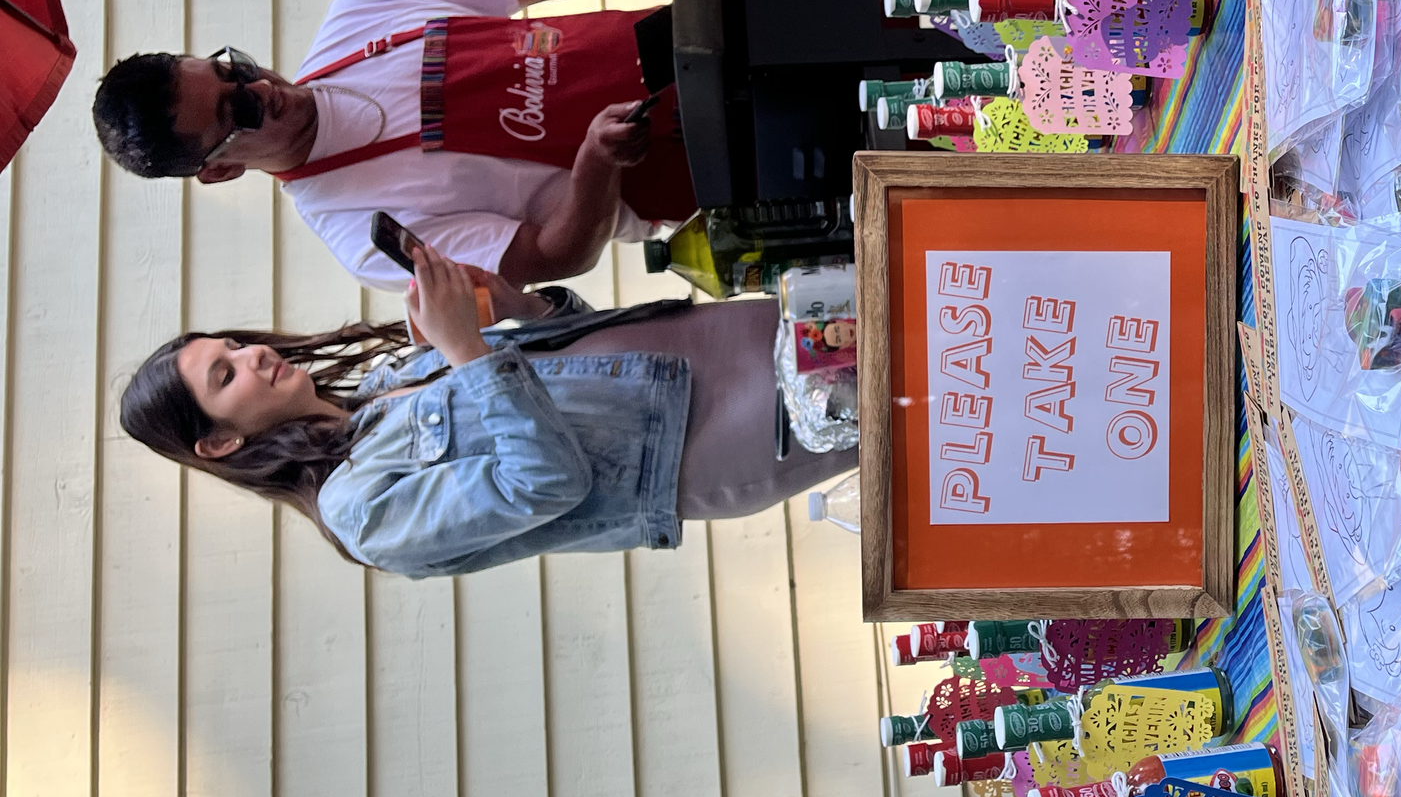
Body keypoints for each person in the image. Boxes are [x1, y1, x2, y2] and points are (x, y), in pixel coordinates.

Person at [118, 238, 851, 579]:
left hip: (705, 338)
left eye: (234, 346)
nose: (252, 356)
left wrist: (519, 309)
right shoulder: (358, 511)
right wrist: (468, 351)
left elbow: (585, 374)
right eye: (226, 376)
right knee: (904, 393)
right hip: (714, 430)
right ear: (220, 443)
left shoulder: (386, 382)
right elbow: (545, 481)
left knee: (900, 310)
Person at [90, 0, 694, 289]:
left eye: (233, 70)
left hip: (684, 39)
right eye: (236, 114)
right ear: (220, 169)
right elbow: (553, 255)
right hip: (692, 166)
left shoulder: (356, 14)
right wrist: (596, 163)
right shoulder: (364, 233)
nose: (260, 90)